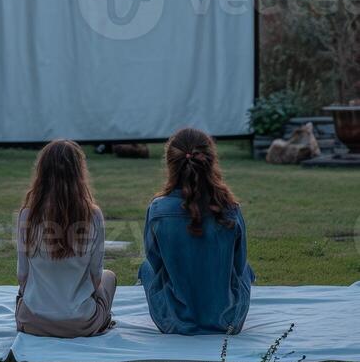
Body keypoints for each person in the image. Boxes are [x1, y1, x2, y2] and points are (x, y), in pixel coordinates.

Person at [139, 127, 255, 335]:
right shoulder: (231, 210)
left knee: (145, 268)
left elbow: (155, 264)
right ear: (211, 162)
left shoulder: (157, 209)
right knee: (247, 270)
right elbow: (238, 266)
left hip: (173, 320)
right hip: (227, 320)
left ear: (170, 165)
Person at [16, 139, 116, 337]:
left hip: (33, 321)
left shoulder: (28, 214)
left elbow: (22, 275)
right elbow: (96, 277)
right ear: (79, 173)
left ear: (41, 173)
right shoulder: (93, 215)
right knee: (109, 276)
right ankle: (101, 318)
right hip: (80, 322)